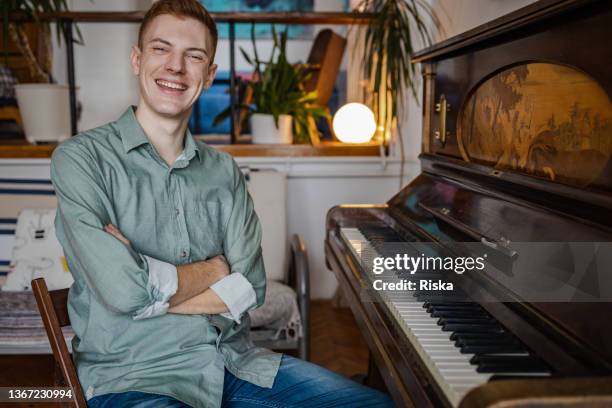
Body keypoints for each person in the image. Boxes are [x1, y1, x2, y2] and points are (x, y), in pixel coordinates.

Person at [50, 1, 394, 407]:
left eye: (193, 56)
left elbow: (251, 287)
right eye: (161, 49)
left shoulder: (224, 171)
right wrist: (215, 270)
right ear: (137, 59)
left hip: (236, 365)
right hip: (133, 377)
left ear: (209, 74)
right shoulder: (79, 159)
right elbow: (124, 293)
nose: (176, 67)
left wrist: (149, 290)